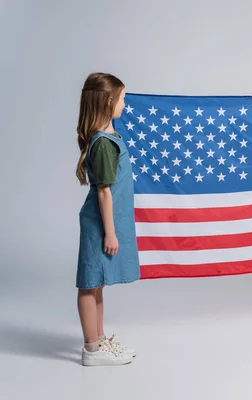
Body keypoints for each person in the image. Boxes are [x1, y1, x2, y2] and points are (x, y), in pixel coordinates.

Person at [75, 72, 139, 365]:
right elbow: (104, 192)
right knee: (89, 284)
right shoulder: (103, 143)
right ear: (109, 101)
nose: (125, 104)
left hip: (105, 223)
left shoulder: (109, 138)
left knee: (97, 283)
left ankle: (99, 342)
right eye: (123, 98)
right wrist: (110, 233)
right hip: (99, 225)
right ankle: (91, 349)